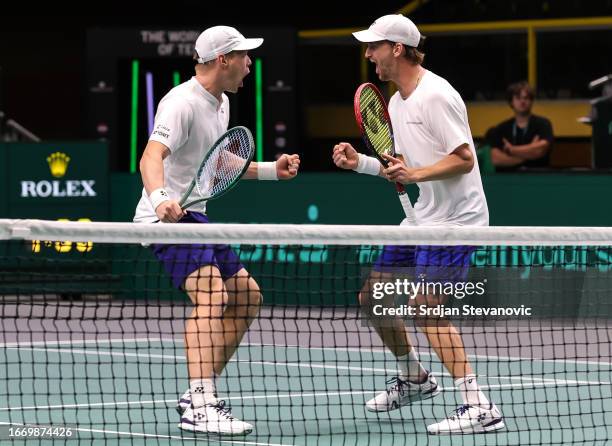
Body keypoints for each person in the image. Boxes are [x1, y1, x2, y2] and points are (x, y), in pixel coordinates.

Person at [332, 14, 504, 435]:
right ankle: (414, 378)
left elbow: (464, 159)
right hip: (423, 216)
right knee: (373, 297)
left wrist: (414, 176)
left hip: (456, 220)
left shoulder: (436, 95)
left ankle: (478, 405)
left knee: (425, 309)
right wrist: (363, 165)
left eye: (374, 46)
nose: (368, 54)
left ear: (397, 48)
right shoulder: (394, 102)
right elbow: (403, 167)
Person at [133, 25, 300, 436]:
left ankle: (198, 393)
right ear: (223, 59)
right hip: (165, 217)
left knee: (247, 296)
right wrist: (160, 198)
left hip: (195, 214)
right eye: (244, 56)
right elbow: (150, 157)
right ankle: (203, 402)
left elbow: (217, 163)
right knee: (212, 293)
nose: (249, 64)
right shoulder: (181, 103)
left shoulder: (221, 102)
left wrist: (271, 173)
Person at [489, 81, 554, 171]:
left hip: (538, 176)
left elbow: (540, 150)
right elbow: (496, 159)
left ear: (531, 101)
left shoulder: (543, 124)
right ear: (511, 101)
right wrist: (530, 152)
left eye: (526, 98)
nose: (522, 101)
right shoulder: (501, 128)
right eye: (518, 98)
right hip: (508, 178)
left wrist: (511, 150)